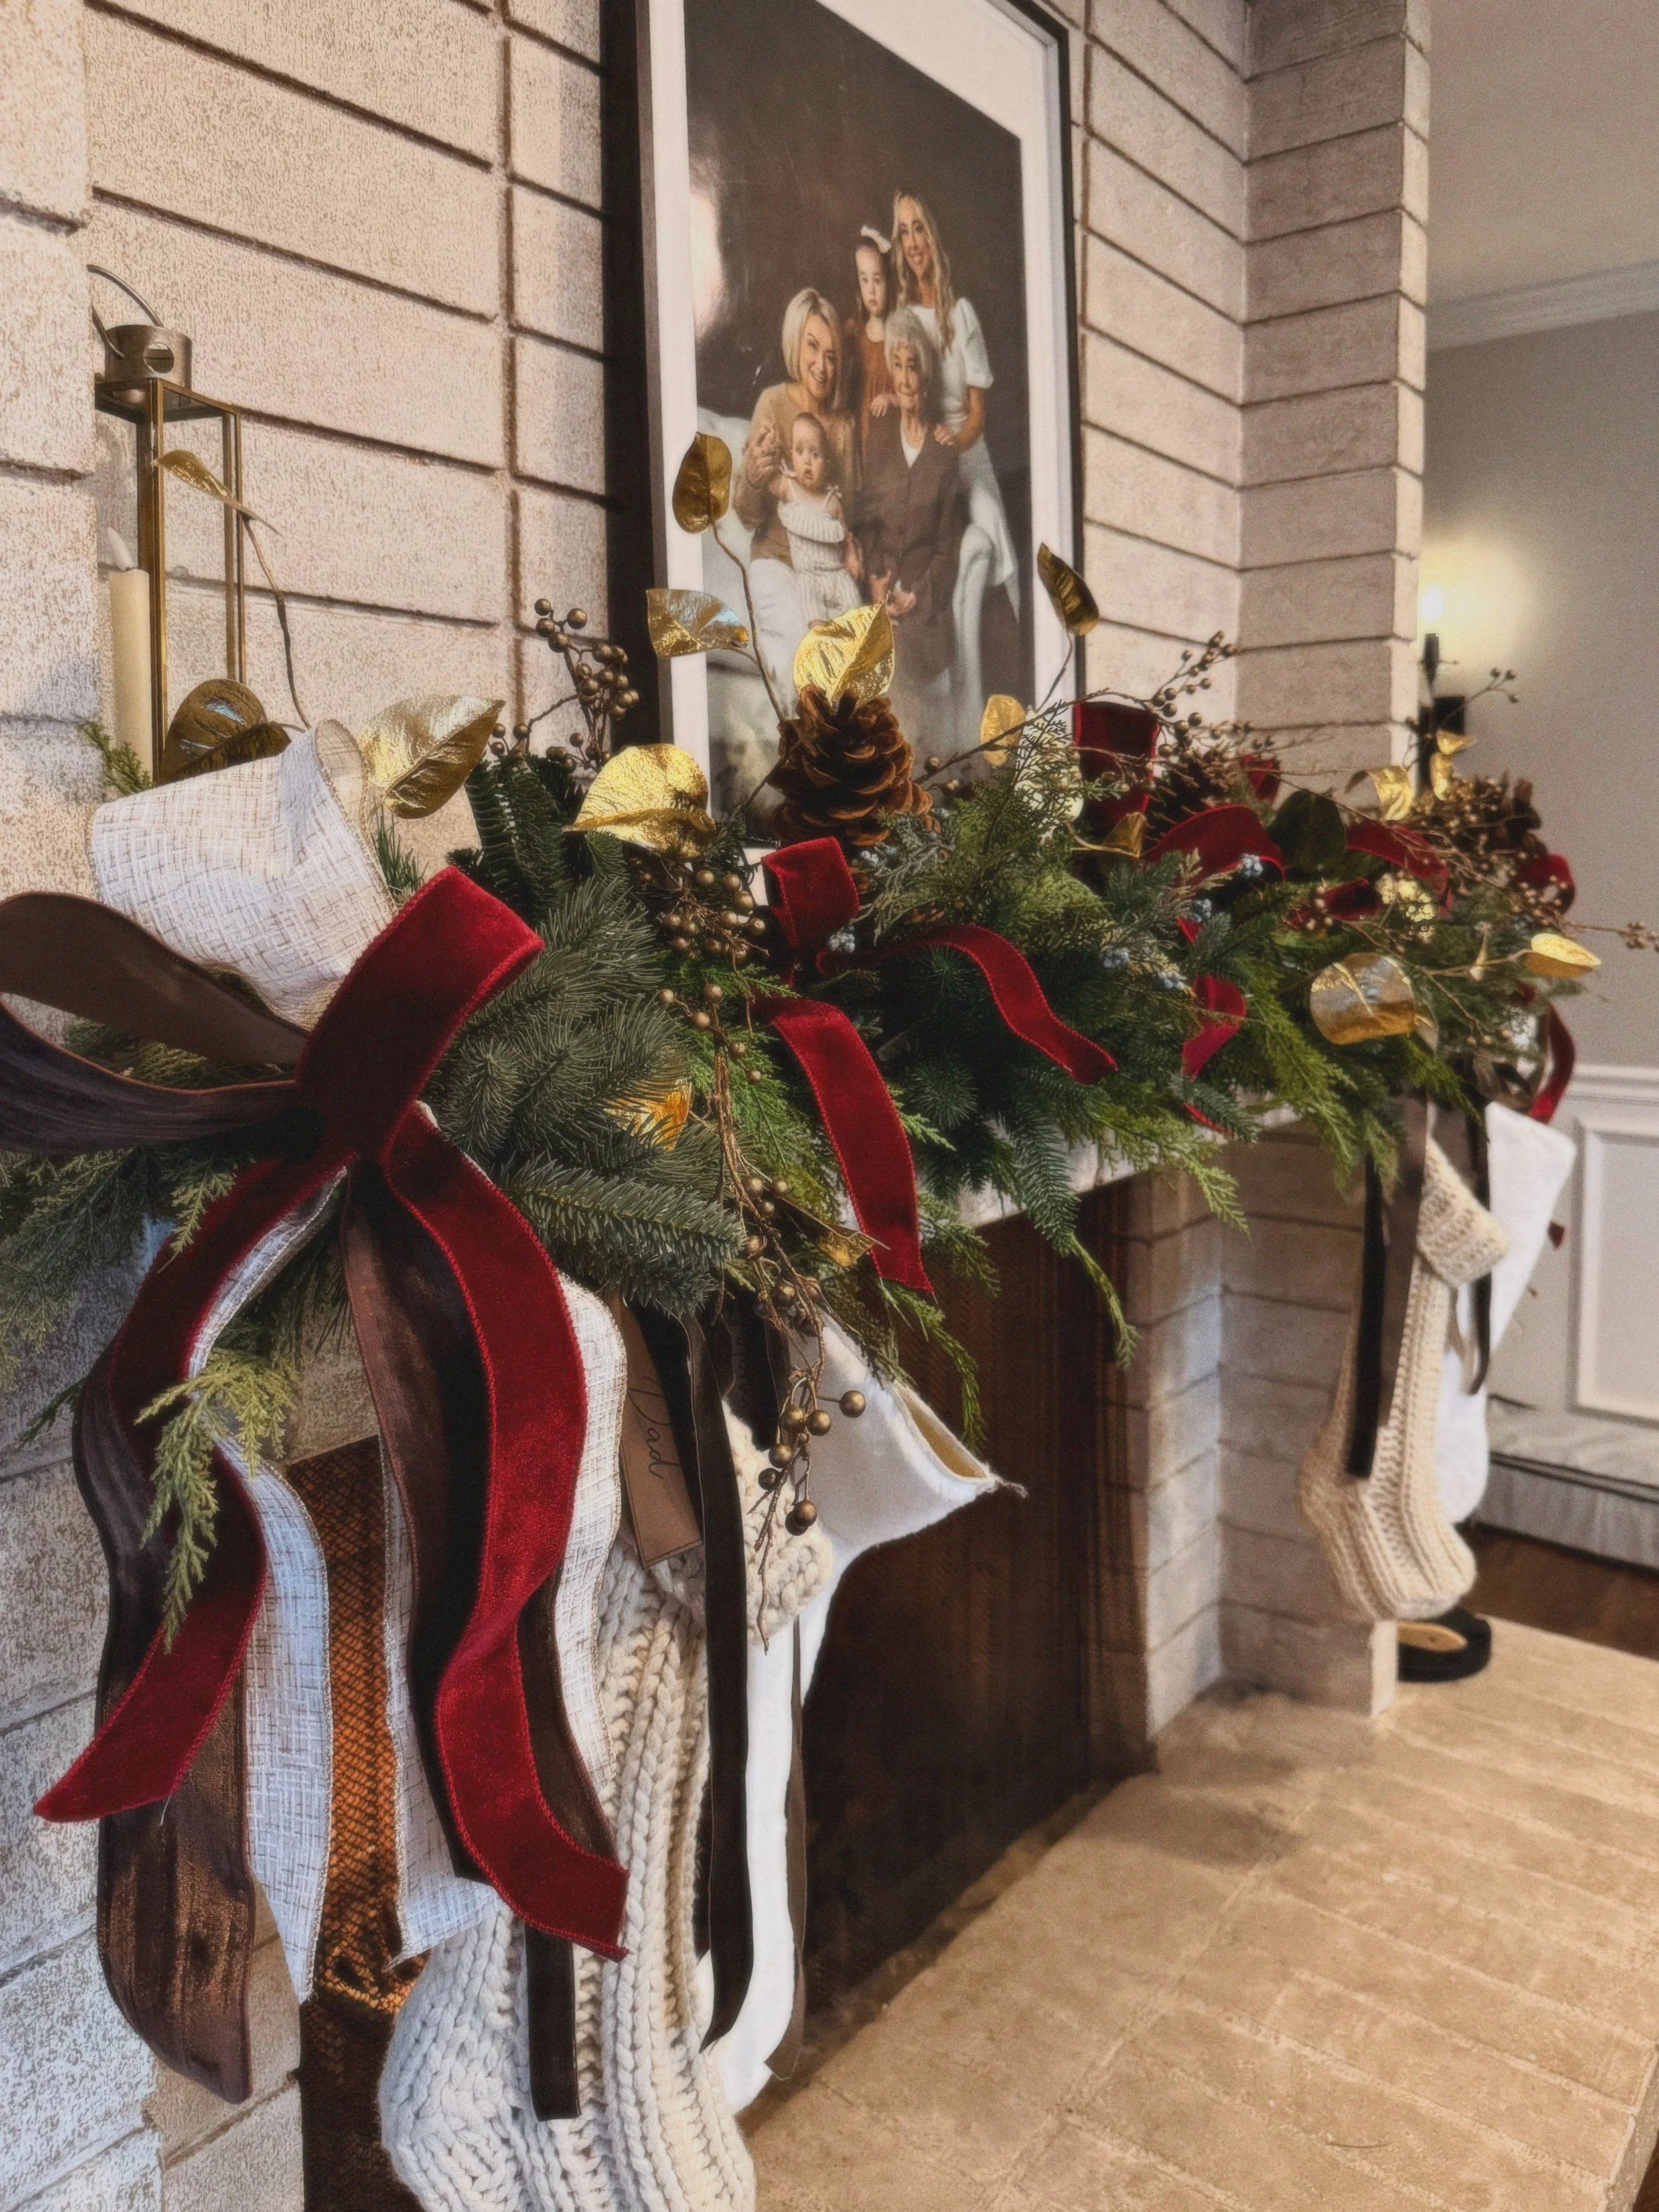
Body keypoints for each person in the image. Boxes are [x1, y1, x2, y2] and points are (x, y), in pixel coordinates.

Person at [881, 189, 1020, 742]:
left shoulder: (961, 314)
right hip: (927, 455)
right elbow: (898, 378)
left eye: (921, 229)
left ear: (934, 236)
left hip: (965, 450)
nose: (914, 242)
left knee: (993, 542)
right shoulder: (899, 316)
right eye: (904, 231)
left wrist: (949, 447)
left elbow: (977, 416)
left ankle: (1011, 712)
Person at [734, 288, 856, 709]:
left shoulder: (843, 426)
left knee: (851, 672)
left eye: (831, 355)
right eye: (812, 347)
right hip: (777, 566)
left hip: (828, 574)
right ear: (794, 343)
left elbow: (848, 519)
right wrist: (753, 475)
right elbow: (748, 516)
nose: (822, 366)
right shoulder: (772, 402)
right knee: (804, 660)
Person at [853, 307, 966, 733]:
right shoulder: (880, 429)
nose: (903, 379)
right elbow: (864, 514)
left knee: (897, 648)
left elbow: (946, 550)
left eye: (912, 367)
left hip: (923, 605)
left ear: (926, 375)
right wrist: (874, 579)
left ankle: (902, 780)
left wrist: (916, 595)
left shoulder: (944, 454)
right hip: (879, 586)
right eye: (896, 366)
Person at [772, 412, 863, 625]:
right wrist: (771, 448)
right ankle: (821, 642)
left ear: (827, 462)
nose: (807, 461)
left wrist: (852, 557)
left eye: (815, 455)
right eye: (800, 452)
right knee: (812, 610)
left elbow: (845, 535)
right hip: (809, 576)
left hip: (837, 573)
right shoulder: (789, 488)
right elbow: (767, 480)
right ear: (791, 454)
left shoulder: (831, 501)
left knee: (855, 608)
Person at [843, 228, 895, 460]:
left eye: (878, 280)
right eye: (865, 280)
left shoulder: (898, 336)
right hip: (859, 436)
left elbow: (913, 390)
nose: (871, 290)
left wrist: (892, 399)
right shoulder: (854, 333)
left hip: (890, 436)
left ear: (889, 282)